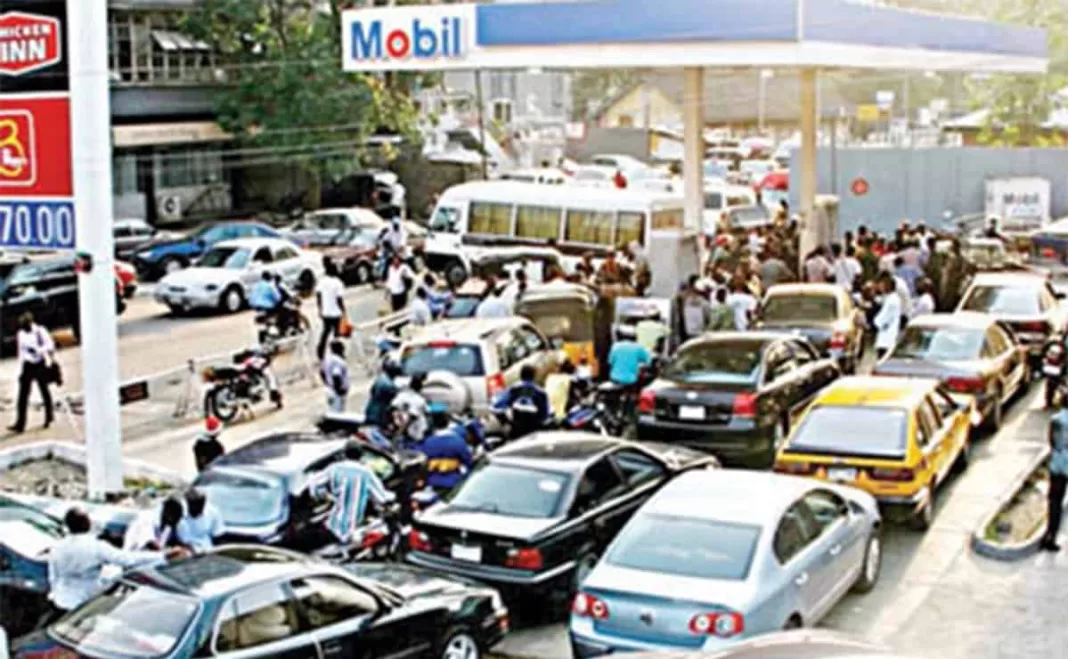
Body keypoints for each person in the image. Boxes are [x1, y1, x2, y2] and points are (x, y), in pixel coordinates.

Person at [47, 507, 175, 616]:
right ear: (85, 523)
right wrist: (162, 556)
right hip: (83, 606)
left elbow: (53, 577)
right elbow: (127, 559)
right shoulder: (95, 546)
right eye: (88, 519)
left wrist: (55, 595)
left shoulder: (57, 547)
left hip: (60, 603)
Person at [309, 440, 396, 545]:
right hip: (352, 527)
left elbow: (314, 485)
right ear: (361, 456)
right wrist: (392, 498)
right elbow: (382, 497)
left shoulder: (334, 468)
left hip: (333, 524)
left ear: (345, 453)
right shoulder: (366, 473)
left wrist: (326, 495)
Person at [9, 312, 55, 434]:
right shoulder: (21, 334)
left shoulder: (40, 331)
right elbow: (21, 351)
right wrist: (22, 366)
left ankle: (49, 416)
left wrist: (38, 350)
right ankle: (20, 423)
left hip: (39, 363)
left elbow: (50, 345)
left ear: (31, 323)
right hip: (28, 365)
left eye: (26, 326)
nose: (24, 328)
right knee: (23, 395)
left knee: (44, 390)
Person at [418, 404, 475, 493]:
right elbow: (468, 460)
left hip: (433, 482)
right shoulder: (457, 441)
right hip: (454, 482)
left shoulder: (428, 442)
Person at [493, 365, 551, 439]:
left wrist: (507, 422)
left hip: (516, 432)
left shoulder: (513, 389)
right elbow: (545, 416)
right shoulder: (541, 393)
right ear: (534, 376)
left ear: (520, 375)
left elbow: (496, 407)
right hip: (534, 434)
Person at [1042, 402, 1068, 552]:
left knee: (1055, 500)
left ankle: (1051, 535)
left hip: (1058, 462)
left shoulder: (1056, 419)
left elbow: (1051, 441)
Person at [176, 488, 225, 552]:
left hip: (206, 551)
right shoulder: (178, 512)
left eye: (200, 504)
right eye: (193, 504)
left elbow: (218, 536)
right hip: (183, 551)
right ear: (187, 502)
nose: (195, 507)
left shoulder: (213, 512)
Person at [315, 261, 347, 360]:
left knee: (325, 332)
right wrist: (343, 310)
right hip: (336, 312)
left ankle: (320, 351)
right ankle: (337, 353)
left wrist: (320, 308)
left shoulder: (322, 281)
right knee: (337, 334)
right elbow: (339, 299)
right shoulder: (338, 283)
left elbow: (318, 295)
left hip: (326, 312)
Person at [391, 372, 429, 444]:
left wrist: (395, 425)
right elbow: (411, 418)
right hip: (414, 432)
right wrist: (399, 433)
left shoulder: (401, 395)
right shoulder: (419, 400)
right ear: (420, 387)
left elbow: (392, 408)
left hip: (400, 428)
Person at [873, 273, 903, 359]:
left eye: (881, 284)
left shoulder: (892, 301)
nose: (879, 286)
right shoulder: (890, 298)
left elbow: (881, 320)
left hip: (887, 340)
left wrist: (872, 321)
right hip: (886, 339)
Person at [364, 359, 401, 428]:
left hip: (371, 410)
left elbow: (372, 391)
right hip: (379, 414)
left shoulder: (380, 379)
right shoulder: (389, 385)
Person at [322, 339, 351, 413]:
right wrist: (339, 390)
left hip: (329, 389)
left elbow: (322, 372)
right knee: (338, 413)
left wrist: (327, 383)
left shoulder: (327, 359)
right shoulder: (338, 361)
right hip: (337, 393)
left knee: (332, 410)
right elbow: (336, 375)